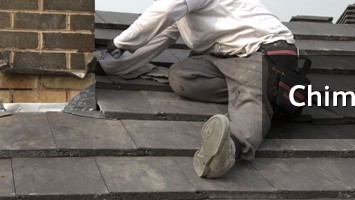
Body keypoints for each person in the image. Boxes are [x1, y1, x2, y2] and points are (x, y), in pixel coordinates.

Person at [100, 0, 296, 178]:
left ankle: (228, 149)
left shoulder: (173, 4)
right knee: (181, 74)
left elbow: (165, 10)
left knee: (251, 100)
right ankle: (255, 94)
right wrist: (106, 64)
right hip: (224, 58)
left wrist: (119, 42)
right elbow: (155, 39)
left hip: (260, 51)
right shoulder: (181, 13)